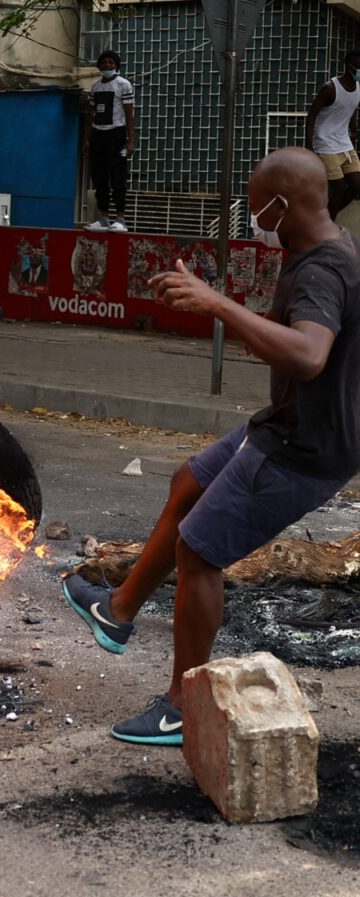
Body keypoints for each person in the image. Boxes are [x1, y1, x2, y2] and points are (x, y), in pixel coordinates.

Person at [61, 148, 360, 745]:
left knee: (199, 553)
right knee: (187, 481)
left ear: (283, 203)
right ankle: (118, 611)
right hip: (285, 425)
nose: (251, 218)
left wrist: (219, 306)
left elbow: (308, 354)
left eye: (255, 208)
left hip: (302, 449)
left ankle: (183, 705)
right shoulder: (331, 245)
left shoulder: (322, 270)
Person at [304, 49, 360, 219]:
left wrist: (353, 128)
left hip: (344, 144)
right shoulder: (329, 88)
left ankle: (325, 218)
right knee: (340, 189)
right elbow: (312, 114)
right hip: (326, 143)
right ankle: (327, 225)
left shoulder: (358, 87)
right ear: (349, 67)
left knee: (357, 187)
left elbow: (347, 108)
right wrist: (309, 145)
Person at [83, 50, 135, 233]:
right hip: (99, 134)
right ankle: (103, 217)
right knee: (99, 178)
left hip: (116, 134)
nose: (107, 66)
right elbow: (91, 115)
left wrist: (130, 141)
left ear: (117, 65)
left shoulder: (123, 85)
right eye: (104, 63)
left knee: (117, 177)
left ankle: (120, 218)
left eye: (111, 63)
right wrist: (87, 139)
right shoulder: (96, 87)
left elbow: (129, 113)